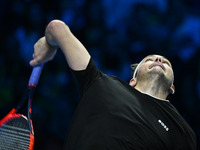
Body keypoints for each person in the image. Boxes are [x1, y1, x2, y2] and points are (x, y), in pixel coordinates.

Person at [30, 20, 197, 150]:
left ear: (172, 88)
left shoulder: (181, 130)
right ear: (133, 81)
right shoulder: (100, 82)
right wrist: (48, 43)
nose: (158, 60)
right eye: (149, 60)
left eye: (166, 63)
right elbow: (57, 28)